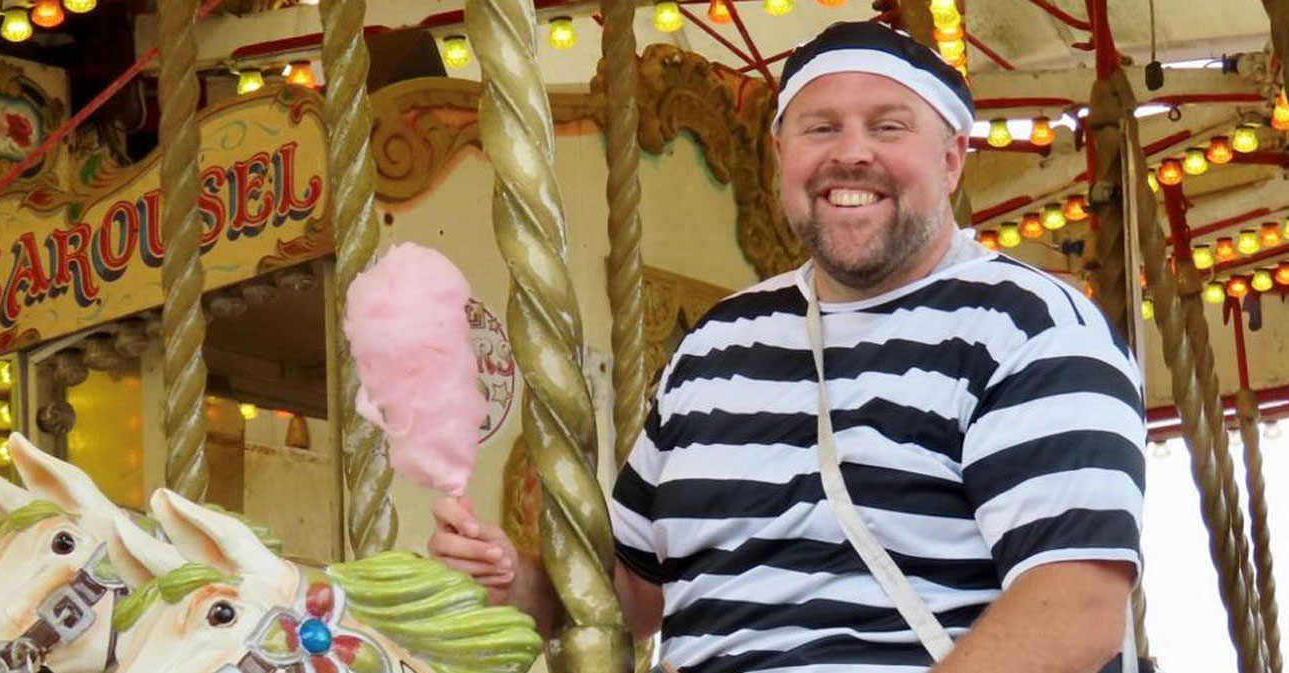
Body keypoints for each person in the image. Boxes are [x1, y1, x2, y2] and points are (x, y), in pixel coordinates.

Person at [429, 20, 1145, 673]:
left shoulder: (1031, 327)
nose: (851, 154)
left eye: (888, 127)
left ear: (953, 158)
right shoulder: (716, 346)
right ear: (781, 155)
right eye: (819, 128)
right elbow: (632, 591)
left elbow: (1075, 608)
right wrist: (514, 578)